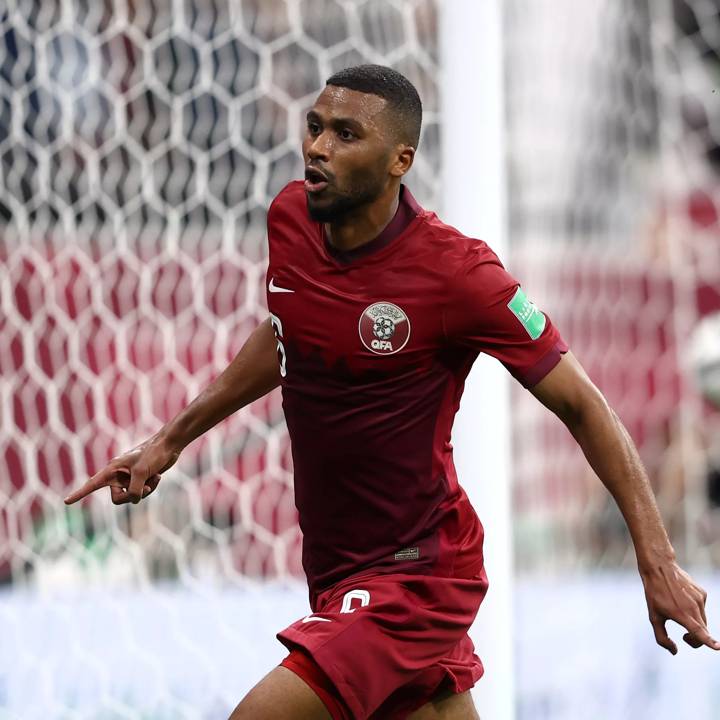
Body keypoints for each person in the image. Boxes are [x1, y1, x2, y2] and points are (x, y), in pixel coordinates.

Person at [65, 65, 718, 720]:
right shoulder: (290, 218)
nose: (318, 147)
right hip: (336, 564)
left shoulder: (460, 275)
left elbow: (581, 403)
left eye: (346, 134)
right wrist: (170, 440)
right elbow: (290, 330)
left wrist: (656, 560)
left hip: (419, 573)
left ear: (400, 159)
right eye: (316, 127)